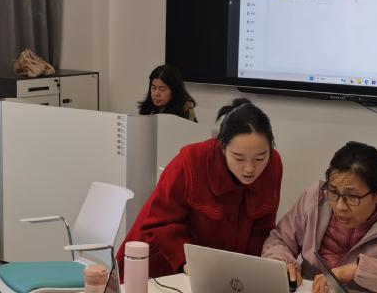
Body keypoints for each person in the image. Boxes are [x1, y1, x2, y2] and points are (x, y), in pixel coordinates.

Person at [117, 98, 281, 278]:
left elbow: (262, 230)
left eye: (260, 158)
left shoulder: (273, 166)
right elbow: (159, 223)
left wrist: (251, 274)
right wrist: (189, 263)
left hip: (217, 274)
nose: (250, 168)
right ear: (222, 146)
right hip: (160, 268)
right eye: (239, 158)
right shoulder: (191, 161)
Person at [262, 142, 377, 293]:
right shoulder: (316, 198)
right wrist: (282, 264)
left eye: (353, 197)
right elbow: (279, 240)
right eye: (333, 192)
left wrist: (360, 271)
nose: (340, 207)